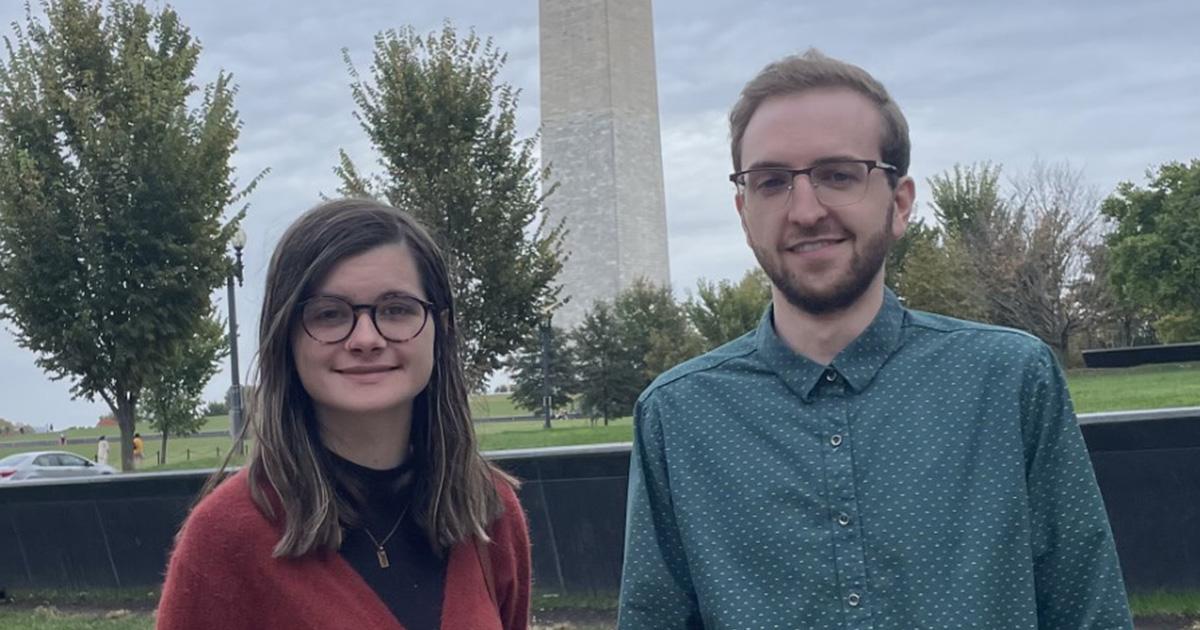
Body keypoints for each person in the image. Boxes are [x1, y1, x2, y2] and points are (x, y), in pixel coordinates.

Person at [617, 50, 1132, 629]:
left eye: (839, 174)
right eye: (772, 181)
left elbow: (1090, 613)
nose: (805, 211)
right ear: (743, 209)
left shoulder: (1009, 381)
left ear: (900, 202)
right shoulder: (678, 417)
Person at [158, 199, 530, 630]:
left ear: (440, 329)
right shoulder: (225, 536)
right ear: (286, 337)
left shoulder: (488, 511)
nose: (367, 338)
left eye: (396, 309)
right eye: (330, 314)